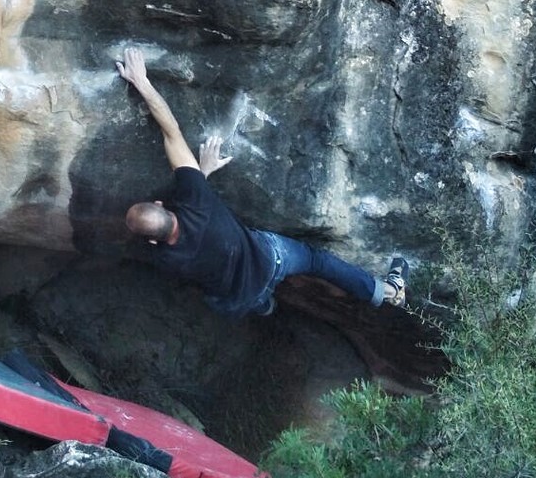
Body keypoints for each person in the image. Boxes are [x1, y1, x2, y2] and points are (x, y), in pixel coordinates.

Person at [119, 48, 407, 318]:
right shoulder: (195, 197)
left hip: (237, 298)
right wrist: (142, 82)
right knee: (317, 261)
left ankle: (267, 308)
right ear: (161, 205)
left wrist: (201, 175)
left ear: (153, 241)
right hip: (269, 261)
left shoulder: (164, 258)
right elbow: (171, 132)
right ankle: (388, 292)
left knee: (248, 300)